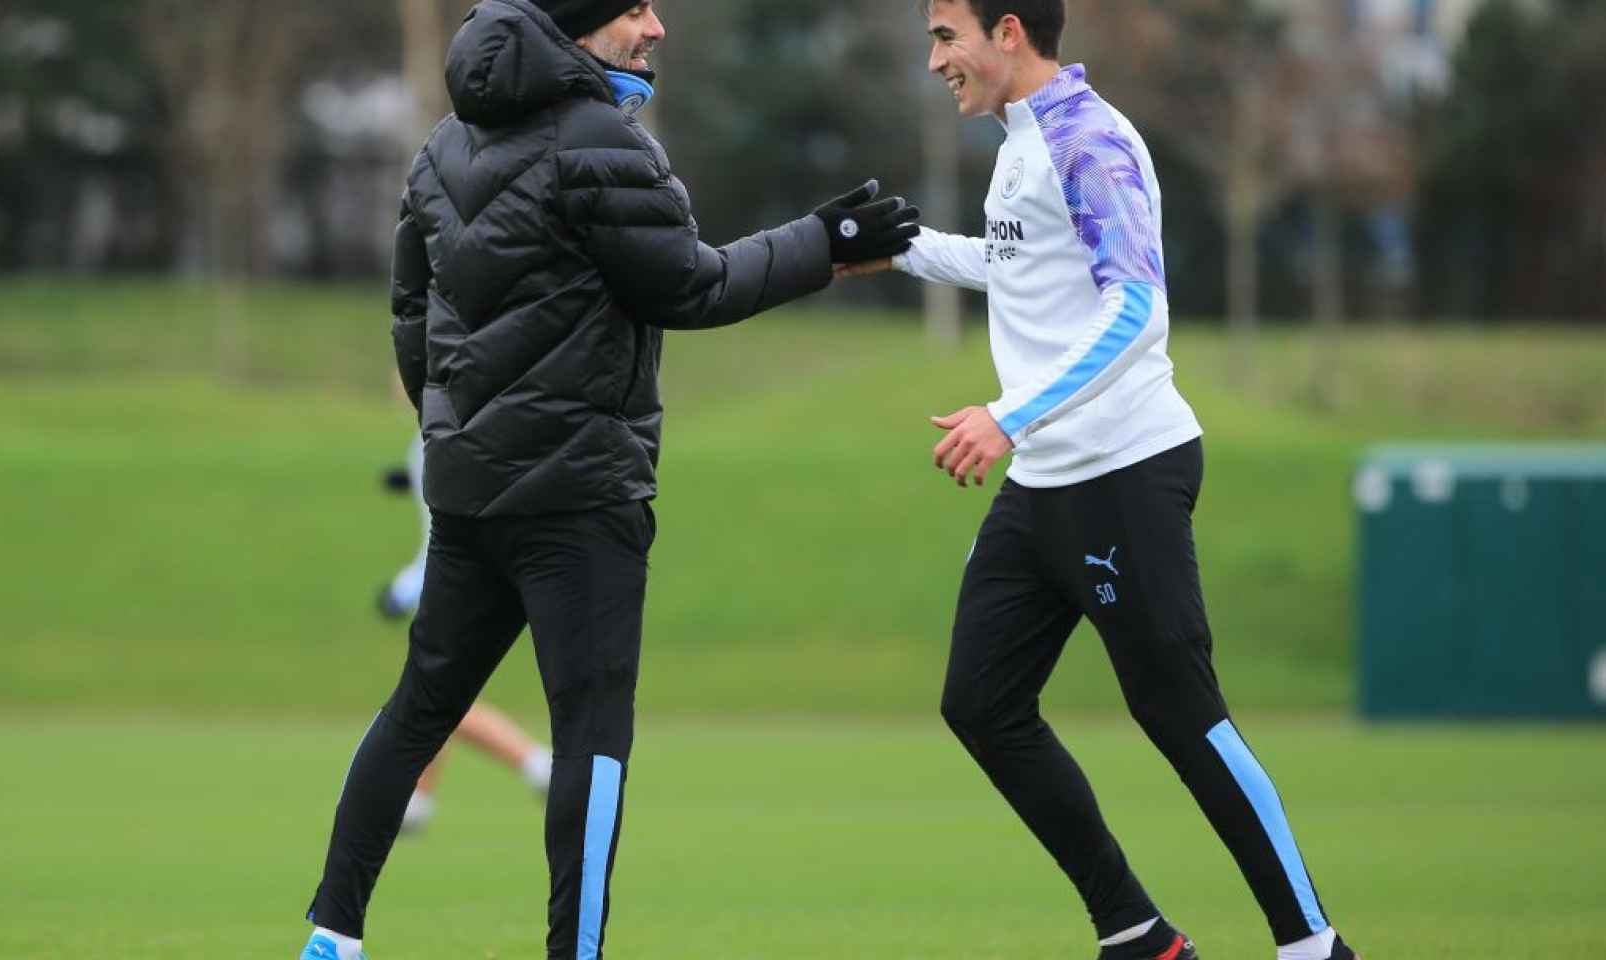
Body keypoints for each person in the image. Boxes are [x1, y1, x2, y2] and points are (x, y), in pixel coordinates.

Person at [298, 0, 918, 957]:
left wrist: (459, 435)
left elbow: (410, 321)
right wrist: (823, 241)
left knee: (420, 710)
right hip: (581, 500)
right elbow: (693, 286)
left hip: (468, 495)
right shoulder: (604, 144)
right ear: (581, 25)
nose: (659, 27)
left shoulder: (442, 146)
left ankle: (331, 938)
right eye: (636, 8)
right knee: (591, 739)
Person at [836, 2, 1359, 959]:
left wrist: (1008, 415)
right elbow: (1018, 270)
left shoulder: (1090, 140)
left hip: (1125, 472)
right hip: (1046, 484)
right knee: (980, 702)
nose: (932, 60)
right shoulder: (1019, 143)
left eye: (944, 36)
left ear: (1007, 31)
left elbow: (1136, 314)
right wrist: (899, 247)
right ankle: (1137, 931)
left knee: (1181, 717)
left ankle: (1314, 946)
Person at [375, 431, 553, 832]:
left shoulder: (444, 429)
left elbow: (451, 528)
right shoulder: (443, 428)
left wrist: (404, 590)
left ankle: (538, 764)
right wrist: (408, 479)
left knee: (441, 698)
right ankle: (419, 798)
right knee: (434, 693)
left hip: (452, 584)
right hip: (460, 581)